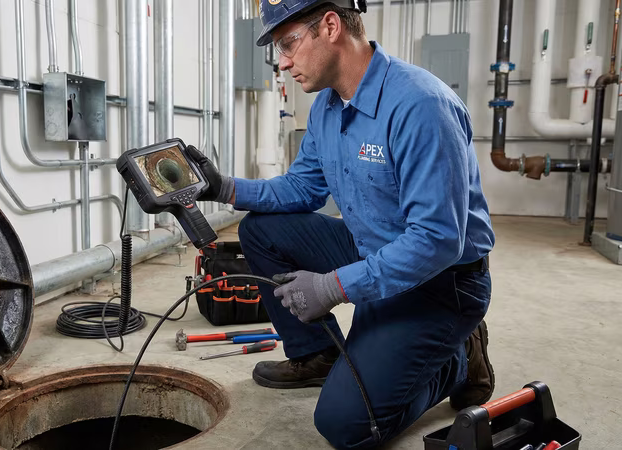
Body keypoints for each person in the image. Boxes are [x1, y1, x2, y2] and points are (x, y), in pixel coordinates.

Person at [185, 0, 495, 447]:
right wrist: (224, 188)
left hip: (440, 283)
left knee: (346, 426)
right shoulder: (328, 109)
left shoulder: (419, 105)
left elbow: (437, 240)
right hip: (373, 250)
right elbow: (301, 190)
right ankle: (317, 354)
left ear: (330, 26)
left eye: (289, 43)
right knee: (260, 230)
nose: (283, 61)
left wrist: (331, 287)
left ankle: (458, 360)